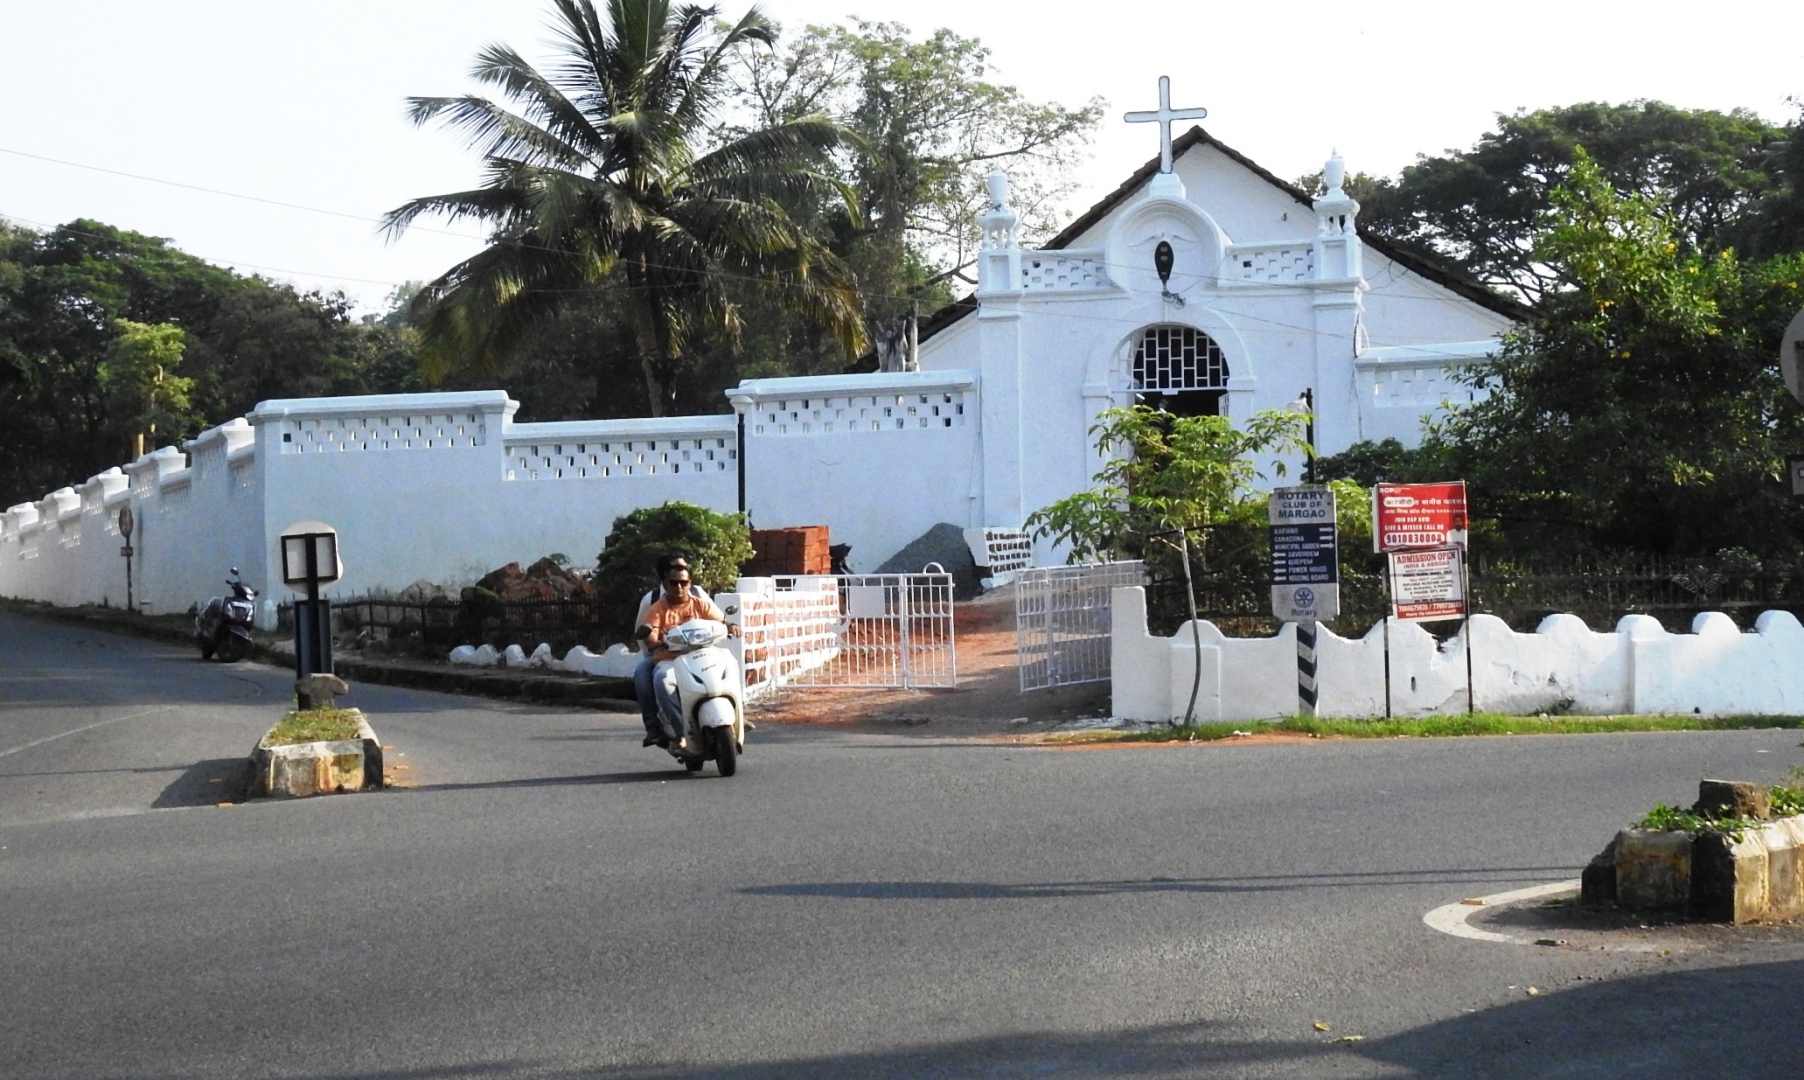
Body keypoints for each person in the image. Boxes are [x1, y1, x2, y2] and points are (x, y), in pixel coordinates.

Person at [637, 560, 732, 751]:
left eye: (683, 583)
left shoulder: (701, 603)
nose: (679, 587)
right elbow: (649, 632)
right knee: (661, 680)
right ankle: (679, 731)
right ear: (665, 583)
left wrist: (731, 626)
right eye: (674, 583)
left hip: (702, 656)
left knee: (730, 664)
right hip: (671, 660)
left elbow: (722, 620)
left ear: (690, 583)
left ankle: (737, 713)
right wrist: (653, 641)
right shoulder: (656, 606)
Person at [633, 554, 708, 747]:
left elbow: (716, 619)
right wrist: (654, 652)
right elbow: (642, 630)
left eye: (684, 574)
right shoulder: (652, 600)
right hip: (664, 653)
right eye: (674, 578)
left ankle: (736, 713)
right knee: (642, 673)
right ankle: (653, 727)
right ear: (665, 576)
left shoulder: (698, 594)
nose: (679, 585)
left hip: (699, 652)